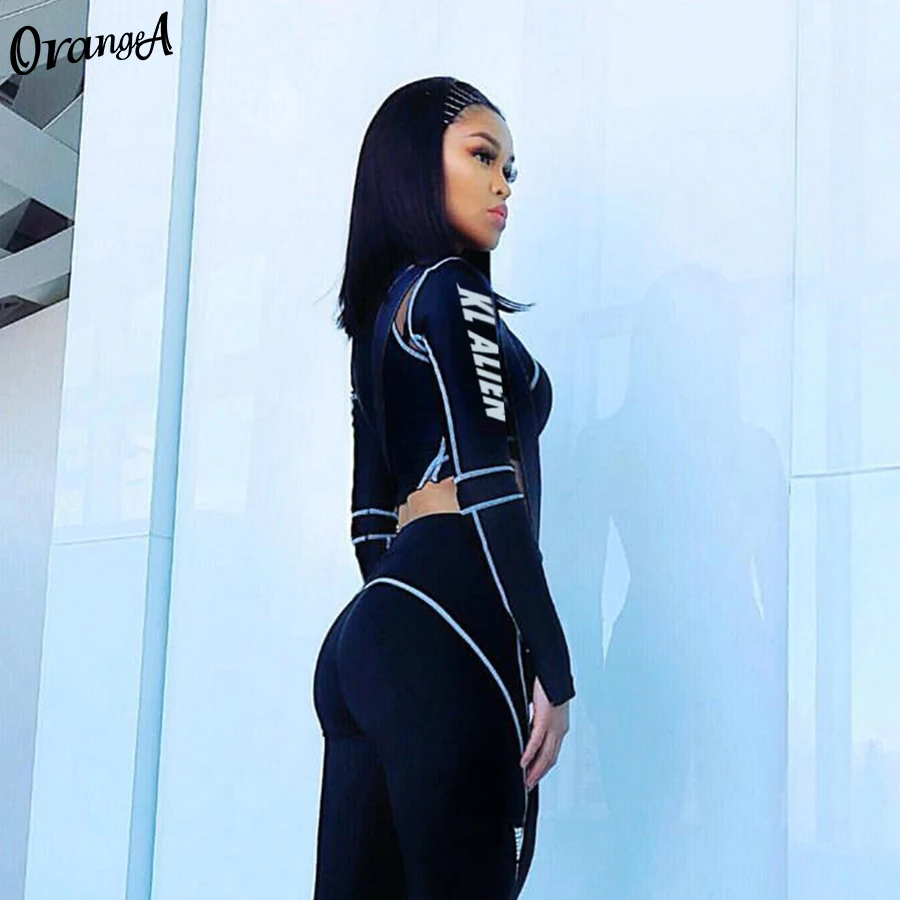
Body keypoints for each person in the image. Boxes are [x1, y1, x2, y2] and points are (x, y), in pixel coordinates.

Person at [312, 76, 575, 899]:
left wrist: (396, 629)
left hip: (369, 636)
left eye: (510, 169)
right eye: (482, 156)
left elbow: (369, 520)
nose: (504, 185)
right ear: (415, 165)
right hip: (446, 628)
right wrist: (551, 666)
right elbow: (491, 482)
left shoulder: (377, 322)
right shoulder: (454, 291)